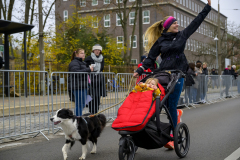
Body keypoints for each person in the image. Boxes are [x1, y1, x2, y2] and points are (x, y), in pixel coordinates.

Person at [133, 0, 211, 149]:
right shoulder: (160, 40)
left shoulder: (182, 35)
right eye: (175, 23)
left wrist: (207, 8)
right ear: (168, 26)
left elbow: (196, 22)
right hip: (163, 74)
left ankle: (173, 133)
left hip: (178, 74)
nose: (177, 25)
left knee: (171, 105)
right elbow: (150, 58)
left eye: (177, 23)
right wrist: (140, 70)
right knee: (160, 105)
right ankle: (162, 123)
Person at [68, 48, 94, 116]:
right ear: (77, 55)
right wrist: (88, 69)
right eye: (82, 53)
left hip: (82, 85)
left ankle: (78, 117)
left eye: (84, 53)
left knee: (82, 103)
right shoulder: (74, 62)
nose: (84, 54)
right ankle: (77, 118)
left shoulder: (82, 63)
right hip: (77, 86)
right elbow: (76, 72)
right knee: (79, 104)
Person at [85, 44, 107, 114]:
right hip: (91, 78)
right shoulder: (89, 58)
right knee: (91, 96)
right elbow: (85, 67)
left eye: (99, 50)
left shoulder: (102, 58)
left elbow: (102, 68)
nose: (97, 51)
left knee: (98, 96)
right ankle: (91, 112)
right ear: (93, 50)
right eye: (96, 50)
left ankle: (96, 113)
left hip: (99, 79)